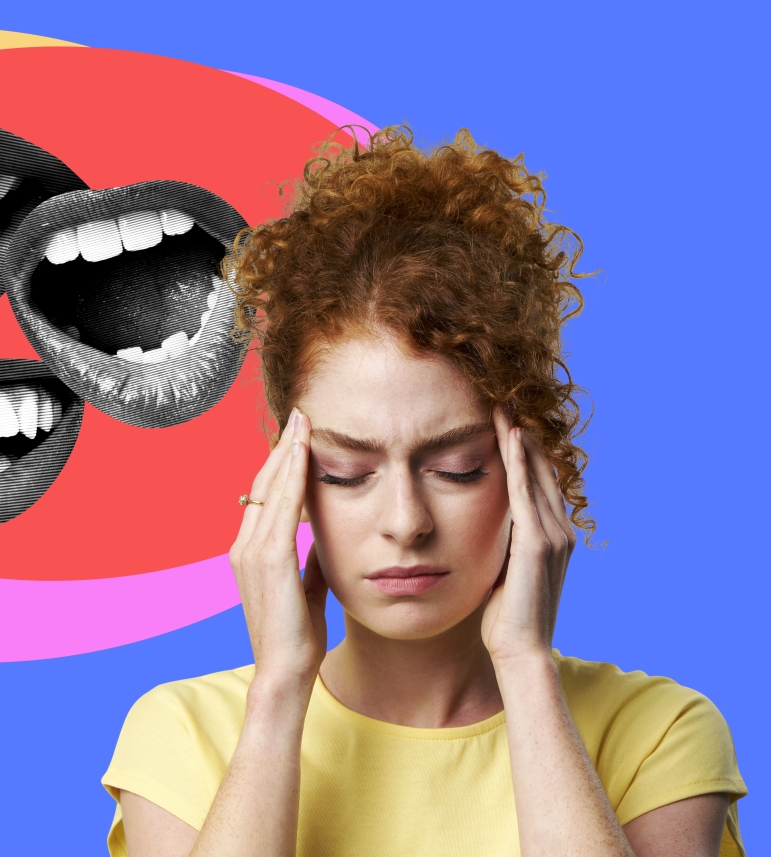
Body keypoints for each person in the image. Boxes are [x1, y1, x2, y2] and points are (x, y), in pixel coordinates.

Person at [100, 127, 747, 856]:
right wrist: (279, 692)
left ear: (528, 463)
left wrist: (527, 667)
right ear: (291, 477)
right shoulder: (187, 733)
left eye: (459, 467)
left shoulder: (656, 732)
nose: (405, 522)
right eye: (348, 471)